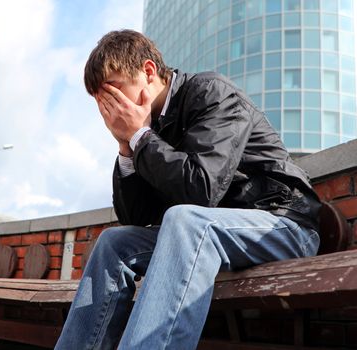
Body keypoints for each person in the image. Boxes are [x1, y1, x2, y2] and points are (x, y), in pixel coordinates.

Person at [55, 29, 321, 350]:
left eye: (115, 94)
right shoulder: (151, 129)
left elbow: (201, 190)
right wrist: (127, 147)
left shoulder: (212, 94)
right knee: (115, 242)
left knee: (186, 220)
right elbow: (136, 217)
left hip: (281, 225)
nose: (112, 110)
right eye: (103, 103)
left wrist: (140, 136)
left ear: (148, 72)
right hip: (212, 236)